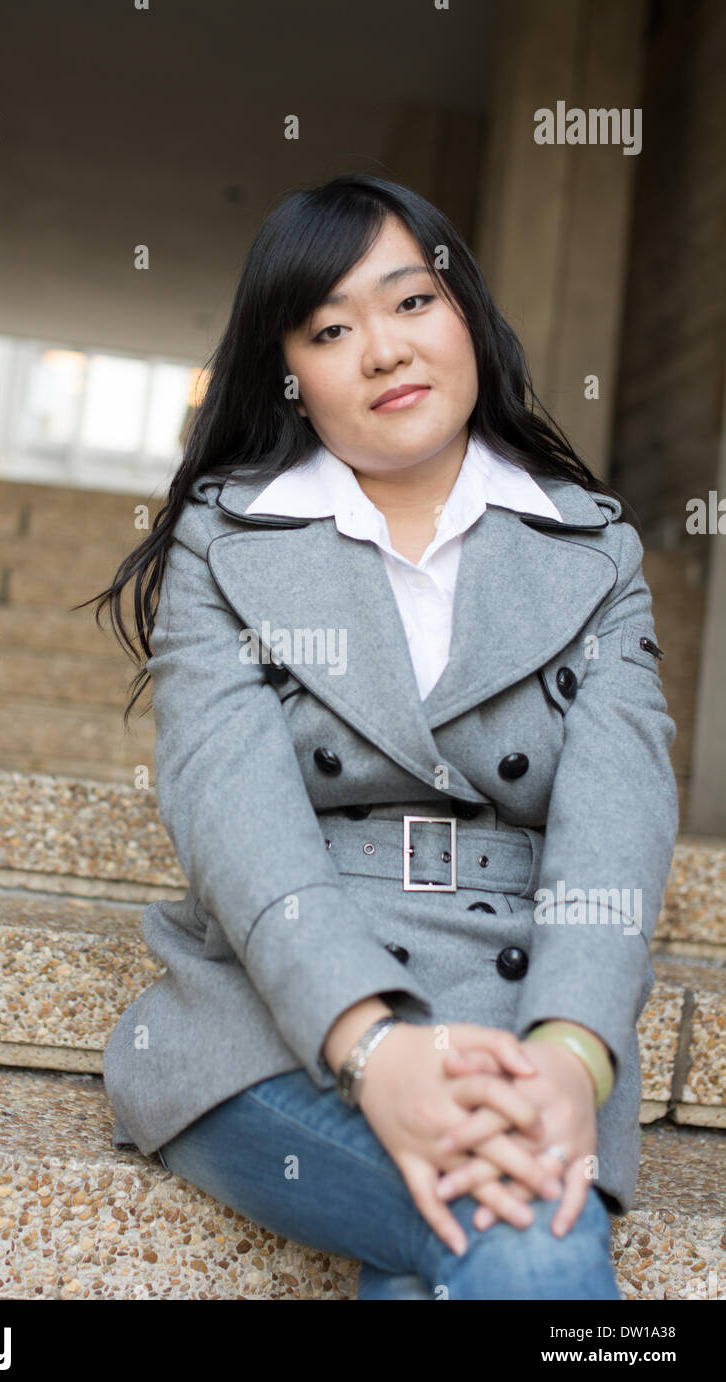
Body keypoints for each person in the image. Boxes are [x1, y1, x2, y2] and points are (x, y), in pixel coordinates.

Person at [83, 173, 679, 1299]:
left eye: (411, 302)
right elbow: (234, 818)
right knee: (524, 1238)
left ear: (468, 320)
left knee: (448, 1261)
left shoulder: (592, 553)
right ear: (291, 378)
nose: (384, 350)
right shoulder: (229, 545)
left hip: (524, 1021)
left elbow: (619, 822)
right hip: (271, 1023)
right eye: (329, 328)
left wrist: (570, 1053)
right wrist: (372, 1046)